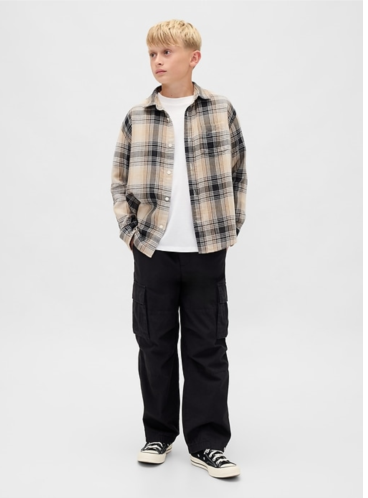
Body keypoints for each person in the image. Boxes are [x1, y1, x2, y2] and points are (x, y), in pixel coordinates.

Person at [110, 19, 247, 479]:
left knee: (208, 347)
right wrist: (131, 233)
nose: (157, 61)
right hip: (153, 250)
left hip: (207, 249)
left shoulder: (220, 110)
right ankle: (159, 433)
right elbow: (118, 180)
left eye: (166, 52)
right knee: (155, 345)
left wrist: (230, 226)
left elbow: (239, 172)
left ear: (194, 58)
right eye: (152, 54)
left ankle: (207, 443)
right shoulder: (138, 116)